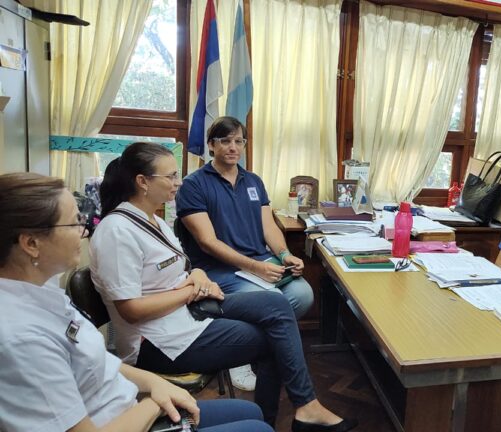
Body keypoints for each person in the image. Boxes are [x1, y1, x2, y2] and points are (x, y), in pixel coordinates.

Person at [90, 142, 356, 432]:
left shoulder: (153, 220)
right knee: (273, 340)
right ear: (142, 181)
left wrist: (199, 275)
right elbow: (130, 310)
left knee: (277, 304)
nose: (178, 183)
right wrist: (191, 290)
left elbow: (180, 266)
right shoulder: (117, 231)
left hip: (186, 312)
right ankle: (276, 419)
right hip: (158, 341)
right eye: (171, 177)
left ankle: (304, 408)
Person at [0, 172, 273, 432]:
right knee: (257, 427)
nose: (84, 229)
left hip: (125, 403)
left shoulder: (43, 290)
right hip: (123, 416)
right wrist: (154, 403)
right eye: (73, 223)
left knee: (252, 413)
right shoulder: (22, 338)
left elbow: (97, 361)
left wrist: (154, 383)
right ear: (31, 243)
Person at [175, 116, 314, 389]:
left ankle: (251, 347)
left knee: (303, 294)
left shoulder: (253, 181)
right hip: (218, 271)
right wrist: (256, 267)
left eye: (239, 141)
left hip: (259, 263)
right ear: (211, 145)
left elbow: (268, 228)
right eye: (225, 141)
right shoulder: (194, 185)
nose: (233, 147)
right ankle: (241, 356)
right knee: (273, 300)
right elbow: (207, 242)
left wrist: (285, 255)